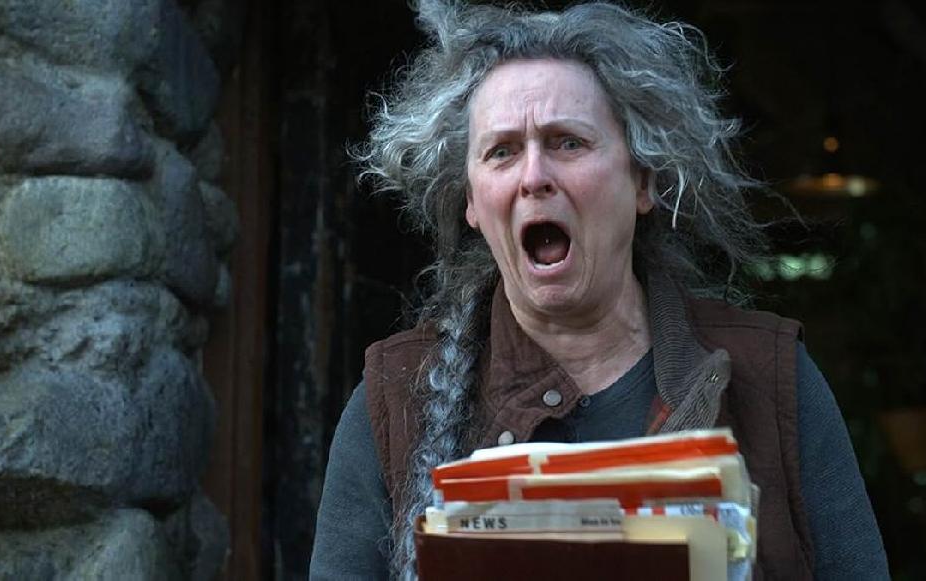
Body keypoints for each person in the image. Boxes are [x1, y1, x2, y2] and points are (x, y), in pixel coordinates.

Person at [310, 1, 889, 579]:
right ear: (472, 204)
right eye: (502, 151)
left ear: (643, 181)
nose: (534, 177)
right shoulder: (394, 399)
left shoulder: (774, 377)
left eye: (568, 142)